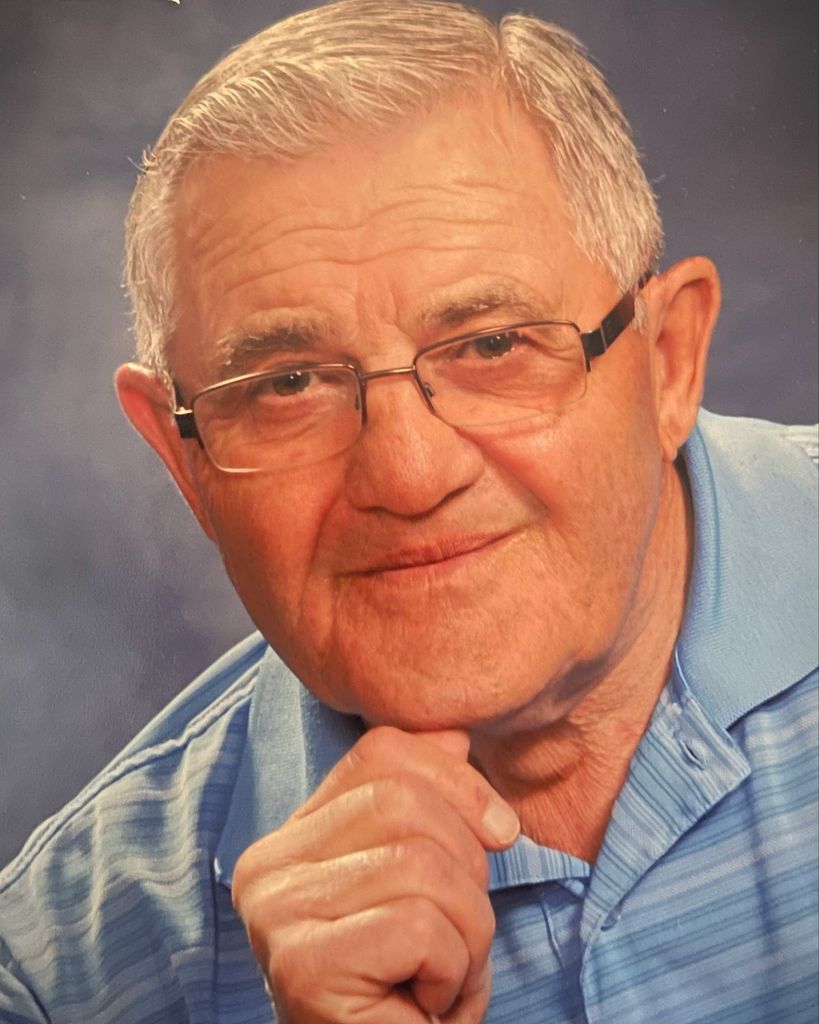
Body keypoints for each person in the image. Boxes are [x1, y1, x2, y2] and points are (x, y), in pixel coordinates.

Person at [1, 1, 816, 1021]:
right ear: (183, 459)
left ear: (668, 362)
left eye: (492, 345)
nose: (408, 473)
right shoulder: (53, 981)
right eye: (290, 384)